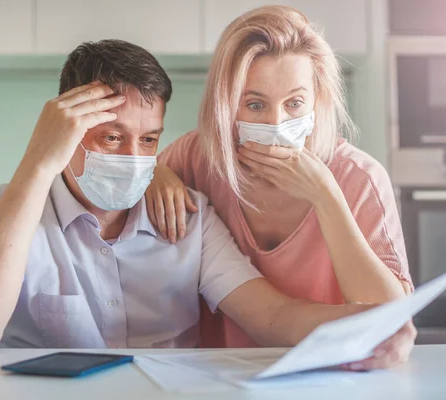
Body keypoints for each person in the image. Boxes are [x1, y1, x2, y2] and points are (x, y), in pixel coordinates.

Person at [0, 39, 382, 359]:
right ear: (65, 130)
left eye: (148, 140)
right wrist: (38, 164)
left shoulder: (191, 218)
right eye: (111, 137)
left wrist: (365, 330)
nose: (132, 157)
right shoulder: (1, 209)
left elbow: (273, 316)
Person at [145, 5, 416, 370]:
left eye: (294, 103)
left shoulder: (359, 177)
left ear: (317, 100)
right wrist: (154, 173)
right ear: (224, 105)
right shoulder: (194, 159)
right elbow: (138, 173)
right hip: (222, 374)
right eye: (255, 104)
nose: (276, 123)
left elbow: (390, 320)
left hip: (338, 374)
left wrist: (326, 195)